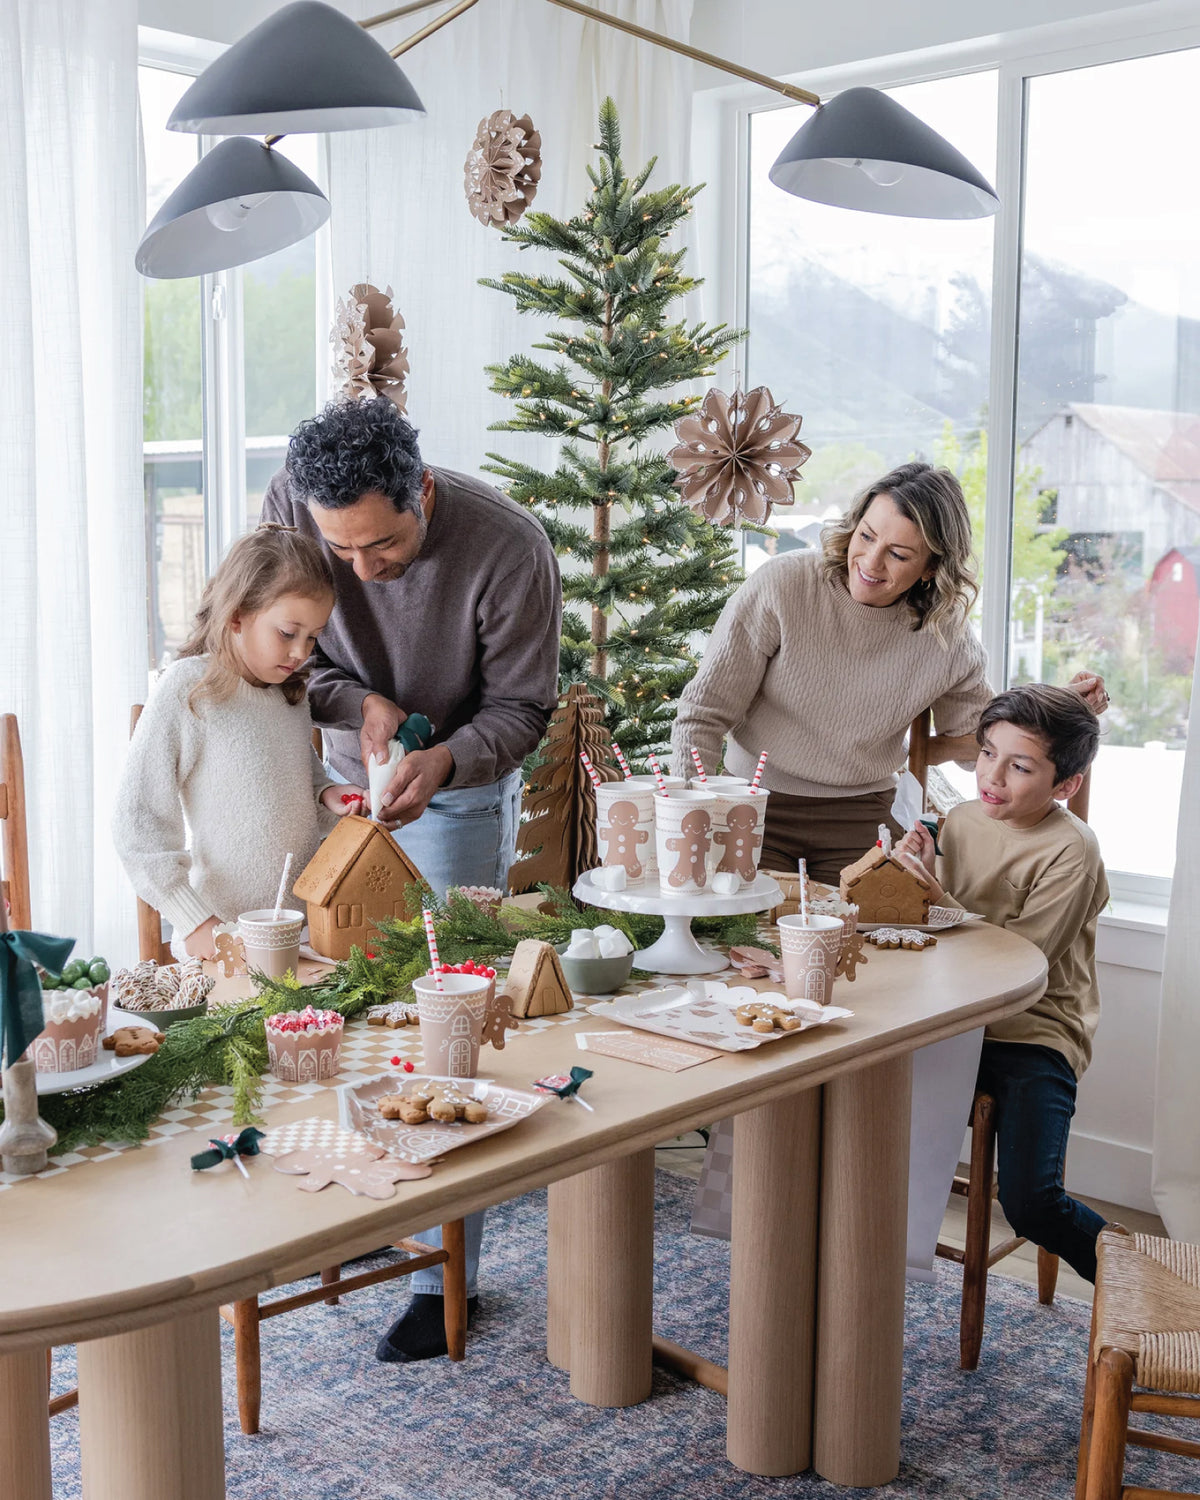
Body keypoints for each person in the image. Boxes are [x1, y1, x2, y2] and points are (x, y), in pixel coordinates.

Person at [260, 395, 562, 1363]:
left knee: (439, 1021)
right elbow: (276, 643)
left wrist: (448, 762)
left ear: (423, 492)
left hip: (457, 788)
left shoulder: (509, 548)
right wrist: (360, 703)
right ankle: (339, 1210)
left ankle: (442, 1278)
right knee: (332, 1005)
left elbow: (523, 706)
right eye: (337, 551)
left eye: (381, 547)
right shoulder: (291, 503)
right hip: (326, 777)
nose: (360, 571)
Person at [670, 461, 1109, 882]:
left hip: (864, 814)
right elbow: (703, 715)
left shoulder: (945, 634)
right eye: (866, 536)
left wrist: (1057, 705)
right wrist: (696, 818)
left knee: (874, 944)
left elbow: (976, 745)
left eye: (898, 554)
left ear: (932, 567)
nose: (870, 562)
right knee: (751, 938)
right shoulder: (785, 585)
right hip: (753, 802)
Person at [895, 683, 1110, 1281]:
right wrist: (918, 875)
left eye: (1019, 766)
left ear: (1065, 784)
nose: (992, 775)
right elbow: (931, 937)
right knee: (849, 1123)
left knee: (1033, 1202)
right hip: (949, 1023)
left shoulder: (1072, 851)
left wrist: (939, 899)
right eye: (987, 752)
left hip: (1033, 1033)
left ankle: (1145, 1282)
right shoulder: (961, 820)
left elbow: (1023, 967)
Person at [114, 526, 366, 959]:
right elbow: (137, 822)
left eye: (313, 636)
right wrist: (194, 920)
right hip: (221, 940)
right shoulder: (188, 690)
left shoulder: (288, 696)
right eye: (288, 633)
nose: (300, 653)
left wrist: (328, 796)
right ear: (237, 617)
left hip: (301, 936)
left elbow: (297, 784)